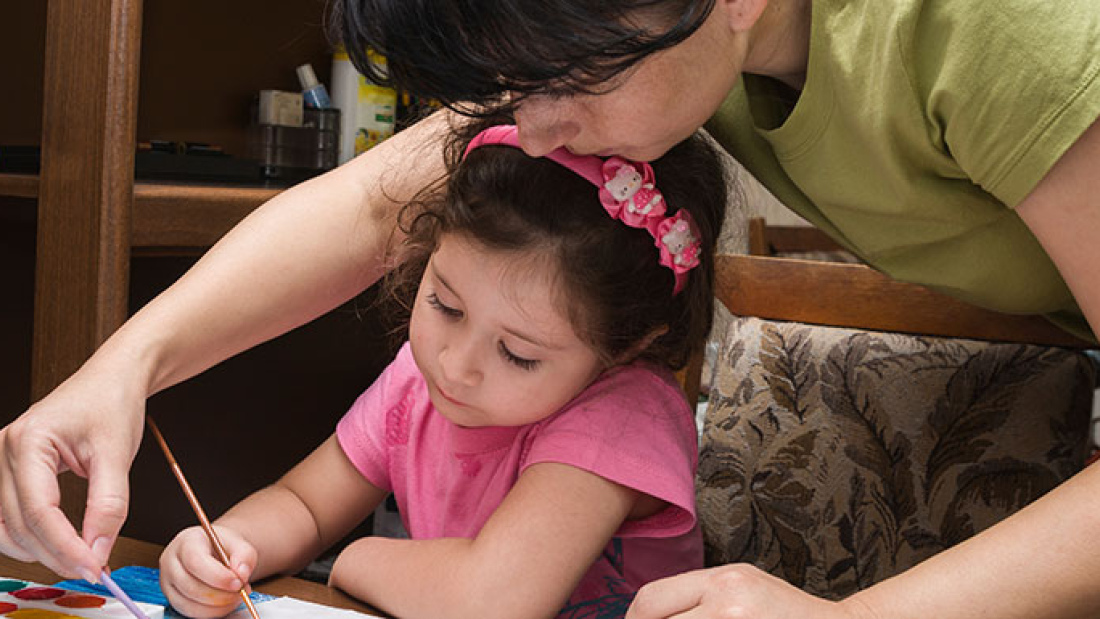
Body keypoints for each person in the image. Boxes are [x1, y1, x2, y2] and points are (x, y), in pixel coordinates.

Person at [1, 0, 1098, 617]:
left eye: (563, 85)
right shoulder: (641, 51)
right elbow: (375, 201)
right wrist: (128, 365)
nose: (524, 132)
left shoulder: (996, 26)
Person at [156, 121, 728, 619]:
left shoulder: (625, 413)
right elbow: (305, 504)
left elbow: (489, 601)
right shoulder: (418, 380)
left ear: (626, 348)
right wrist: (228, 546)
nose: (457, 365)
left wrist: (350, 559)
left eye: (518, 354)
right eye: (445, 306)